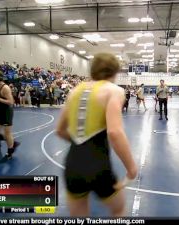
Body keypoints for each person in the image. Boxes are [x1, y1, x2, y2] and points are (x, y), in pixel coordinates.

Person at [56, 53, 137, 217]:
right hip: (98, 167)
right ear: (115, 72)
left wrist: (81, 144)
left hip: (72, 166)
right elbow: (114, 132)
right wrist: (131, 168)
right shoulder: (114, 91)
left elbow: (60, 130)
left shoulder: (74, 91)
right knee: (118, 209)